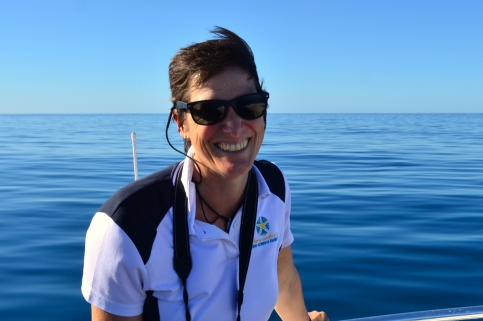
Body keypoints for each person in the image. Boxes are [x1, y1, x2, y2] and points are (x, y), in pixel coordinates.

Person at [82, 27, 328, 321]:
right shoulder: (127, 227)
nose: (235, 127)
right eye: (210, 111)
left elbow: (283, 277)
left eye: (249, 105)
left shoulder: (273, 187)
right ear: (180, 122)